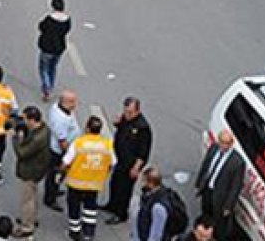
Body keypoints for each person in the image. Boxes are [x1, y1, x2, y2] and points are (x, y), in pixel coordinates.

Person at [62, 116, 117, 241]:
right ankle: (89, 232)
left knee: (74, 207)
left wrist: (62, 172)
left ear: (87, 128)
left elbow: (66, 162)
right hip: (94, 183)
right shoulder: (107, 144)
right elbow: (113, 163)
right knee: (90, 207)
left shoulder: (79, 142)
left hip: (76, 183)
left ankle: (75, 232)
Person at [102, 97, 153, 225]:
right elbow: (122, 130)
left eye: (130, 112)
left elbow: (143, 151)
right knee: (114, 183)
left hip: (130, 164)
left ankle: (121, 213)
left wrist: (136, 167)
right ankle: (112, 205)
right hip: (120, 159)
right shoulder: (125, 118)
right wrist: (117, 123)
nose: (127, 115)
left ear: (137, 111)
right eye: (126, 111)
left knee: (124, 189)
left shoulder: (142, 127)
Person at [195, 130, 243, 239]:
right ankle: (203, 232)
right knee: (205, 211)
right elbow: (206, 165)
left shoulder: (237, 162)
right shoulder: (214, 148)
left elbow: (235, 187)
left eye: (226, 143)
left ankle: (214, 235)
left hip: (221, 197)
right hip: (208, 189)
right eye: (221, 142)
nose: (223, 146)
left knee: (218, 220)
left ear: (231, 144)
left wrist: (228, 206)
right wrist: (199, 182)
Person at [13, 105, 51, 237]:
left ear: (32, 120)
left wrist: (16, 138)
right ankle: (30, 218)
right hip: (38, 168)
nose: (23, 122)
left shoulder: (37, 138)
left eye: (25, 119)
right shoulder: (44, 129)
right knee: (32, 196)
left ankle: (27, 226)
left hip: (31, 170)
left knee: (27, 199)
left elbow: (22, 153)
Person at [44, 90, 82, 212]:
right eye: (72, 102)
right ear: (65, 102)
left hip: (62, 149)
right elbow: (62, 141)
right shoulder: (60, 119)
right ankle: (50, 198)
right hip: (59, 152)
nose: (75, 104)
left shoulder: (60, 109)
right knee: (57, 173)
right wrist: (69, 155)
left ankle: (54, 189)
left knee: (57, 175)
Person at [130, 167, 180, 241]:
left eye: (144, 180)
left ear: (150, 183)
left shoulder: (158, 207)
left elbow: (156, 234)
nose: (141, 182)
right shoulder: (154, 193)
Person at [37, 0, 72, 101]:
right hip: (59, 48)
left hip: (47, 48)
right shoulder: (67, 20)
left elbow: (41, 27)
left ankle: (46, 86)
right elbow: (67, 30)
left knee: (43, 68)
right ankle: (50, 85)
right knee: (53, 68)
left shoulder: (49, 18)